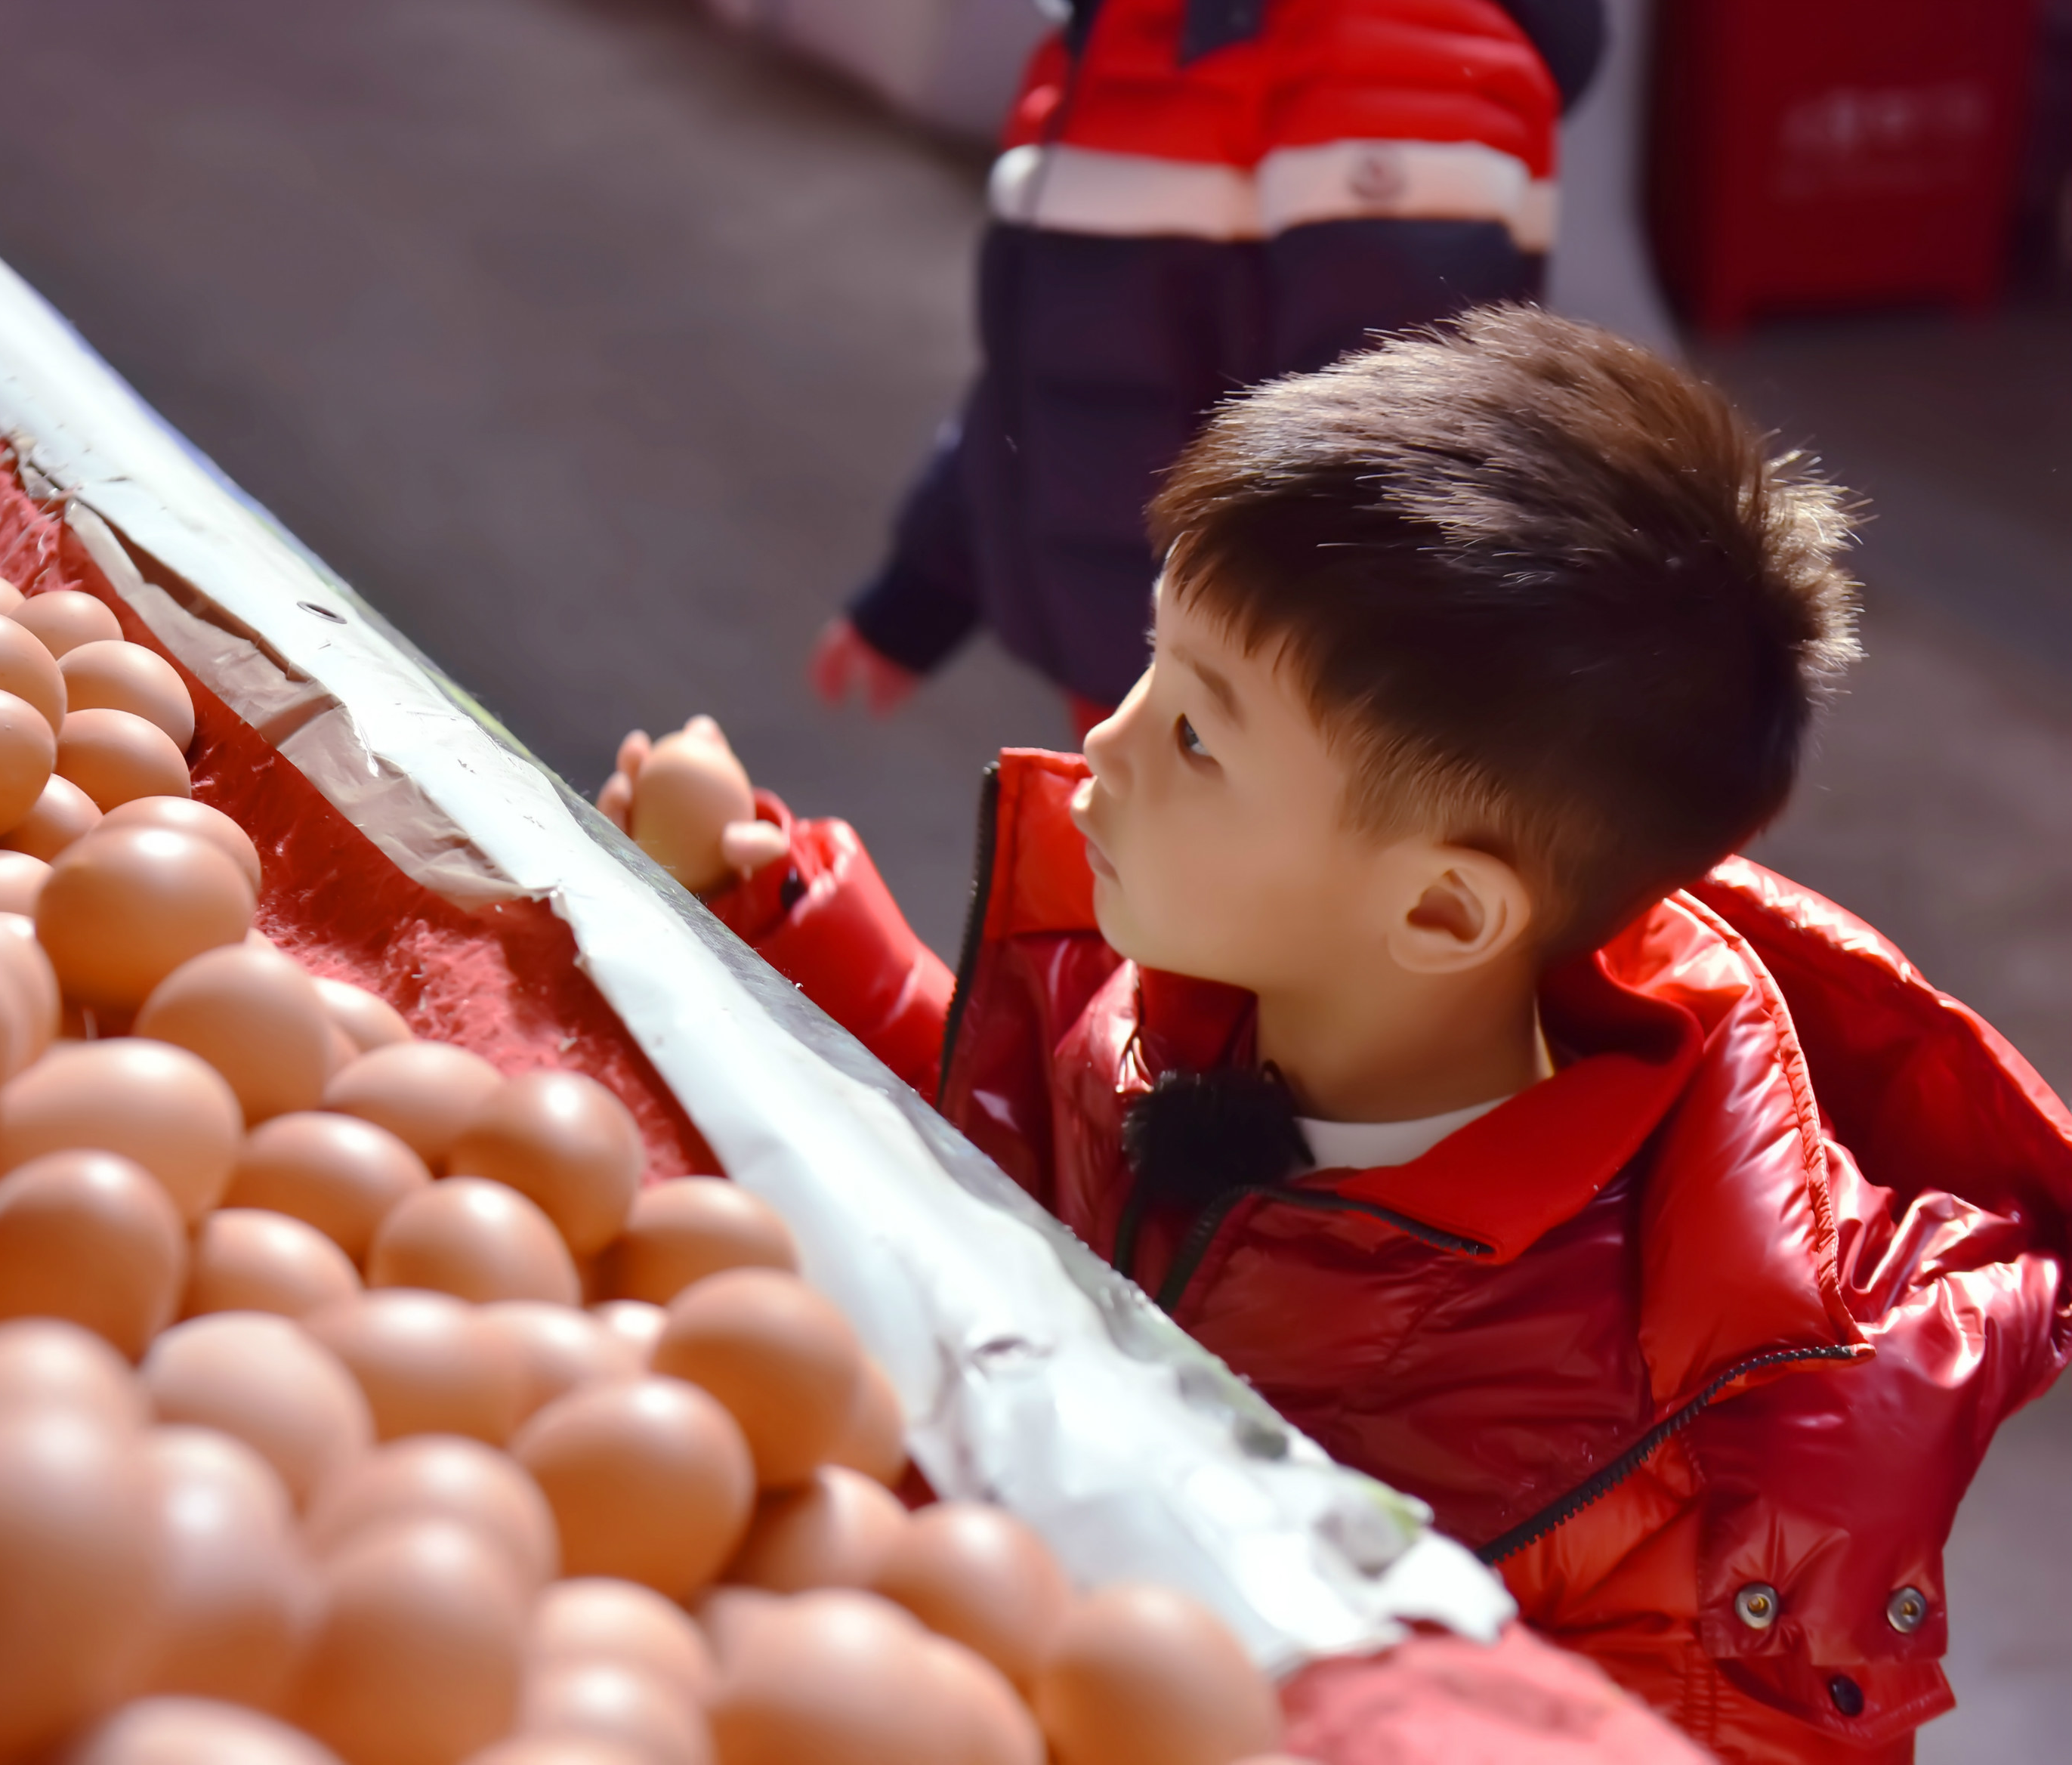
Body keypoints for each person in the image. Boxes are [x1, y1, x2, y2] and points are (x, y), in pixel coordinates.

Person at [604, 308, 2072, 1763]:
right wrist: (774, 904)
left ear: (1441, 914)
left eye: (1196, 736)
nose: (1101, 745)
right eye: (1150, 666)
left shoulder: (1704, 1468)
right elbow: (1034, 1185)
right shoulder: (1205, 1011)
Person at [813, 0, 1608, 740]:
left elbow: (1376, 467)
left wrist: (1241, 716)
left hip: (1254, 729)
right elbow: (1050, 373)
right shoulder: (1114, 40)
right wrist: (927, 582)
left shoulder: (1399, 62)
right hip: (1148, 685)